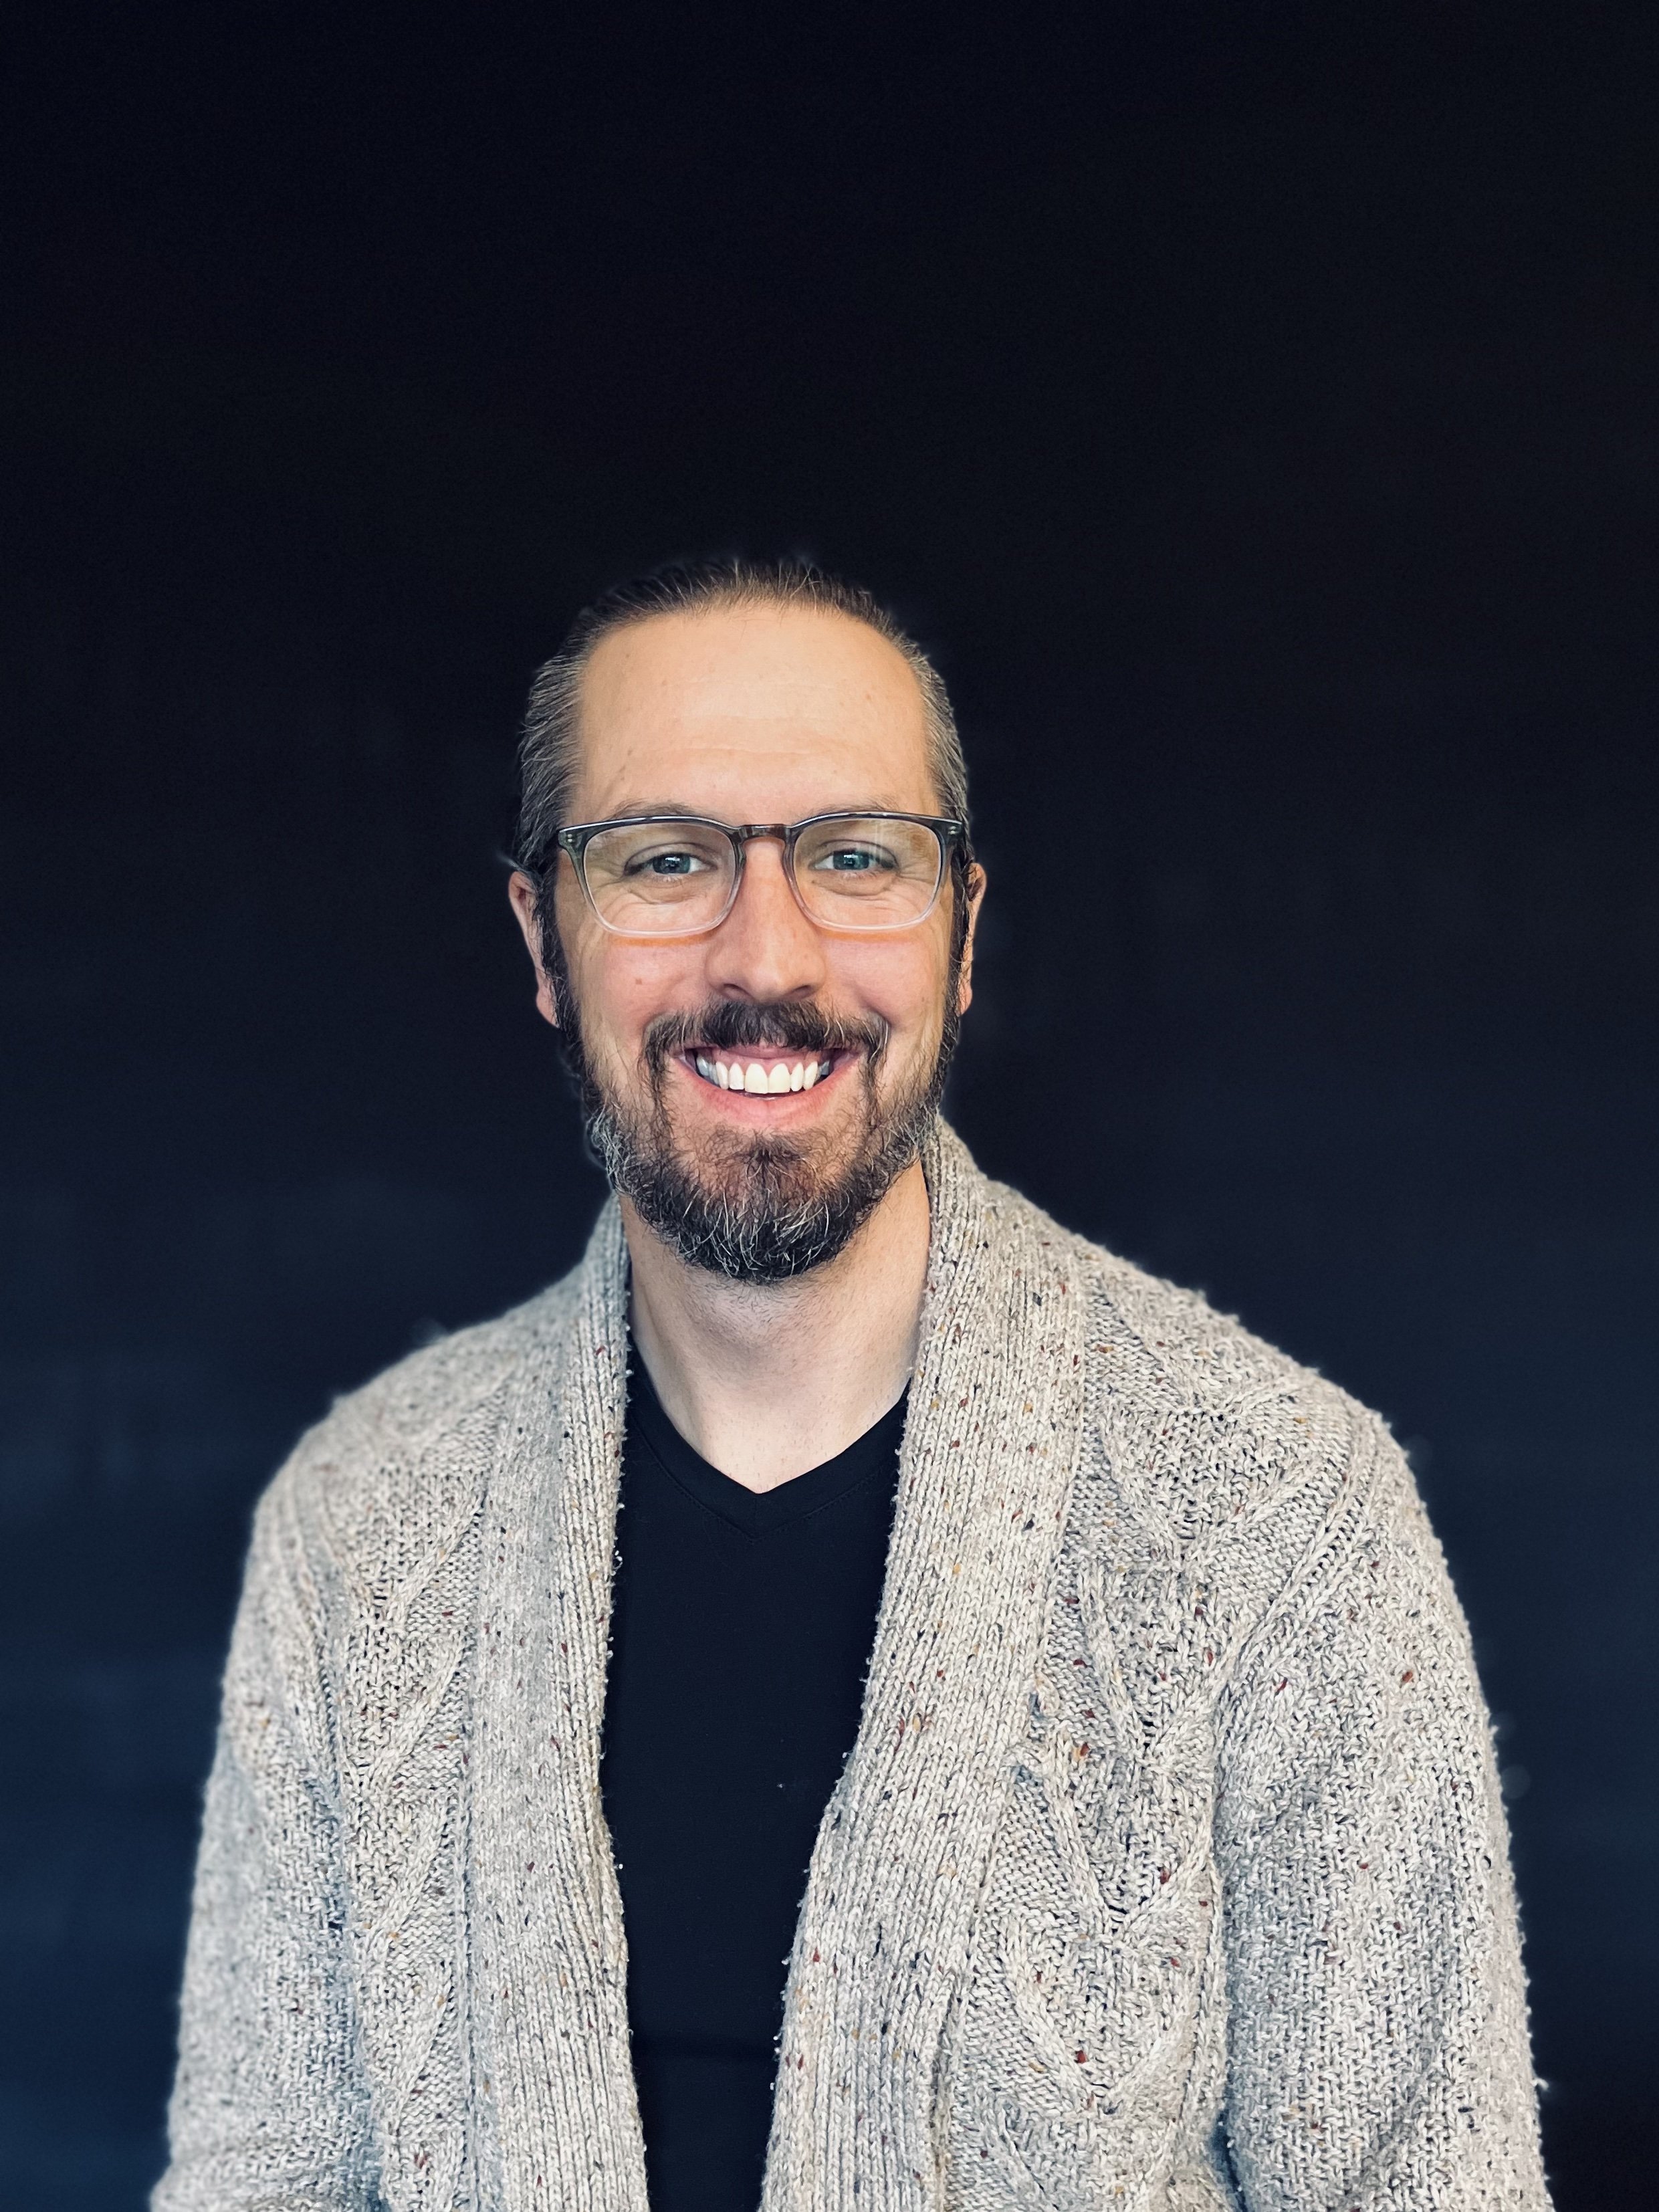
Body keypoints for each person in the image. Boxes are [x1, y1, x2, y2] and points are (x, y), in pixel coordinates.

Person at [154, 559, 1550, 2212]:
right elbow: (262, 2179)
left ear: (960, 932)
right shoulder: (358, 1524)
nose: (769, 953)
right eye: (662, 859)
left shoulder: (1282, 1513)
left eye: (854, 858)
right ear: (544, 937)